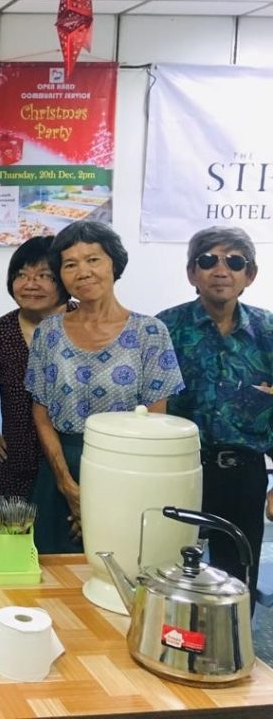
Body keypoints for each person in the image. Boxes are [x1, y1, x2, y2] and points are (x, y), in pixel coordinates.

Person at [25, 221, 183, 554]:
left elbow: (156, 425)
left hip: (130, 471)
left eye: (93, 259)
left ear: (114, 263)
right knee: (55, 579)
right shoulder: (48, 333)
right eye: (70, 264)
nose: (83, 271)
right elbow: (41, 414)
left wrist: (108, 498)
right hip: (62, 469)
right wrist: (67, 485)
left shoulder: (150, 333)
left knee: (120, 575)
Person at [158, 227, 273, 609]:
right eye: (208, 260)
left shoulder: (268, 332)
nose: (221, 270)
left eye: (234, 262)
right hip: (179, 471)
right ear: (192, 273)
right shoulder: (164, 329)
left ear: (249, 275)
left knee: (237, 581)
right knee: (168, 571)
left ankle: (232, 655)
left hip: (243, 475)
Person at [0, 236, 73, 501]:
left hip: (77, 461)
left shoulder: (83, 325)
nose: (30, 284)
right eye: (21, 275)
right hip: (17, 462)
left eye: (44, 275)